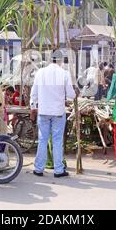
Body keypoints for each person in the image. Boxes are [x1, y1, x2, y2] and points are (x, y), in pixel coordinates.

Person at [30, 50, 76, 178]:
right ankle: (58, 170)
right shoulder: (64, 73)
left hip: (43, 111)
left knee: (42, 140)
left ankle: (38, 168)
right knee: (57, 141)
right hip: (58, 112)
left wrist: (33, 106)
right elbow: (71, 95)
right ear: (61, 60)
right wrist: (74, 92)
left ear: (51, 59)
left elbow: (34, 93)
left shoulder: (41, 72)